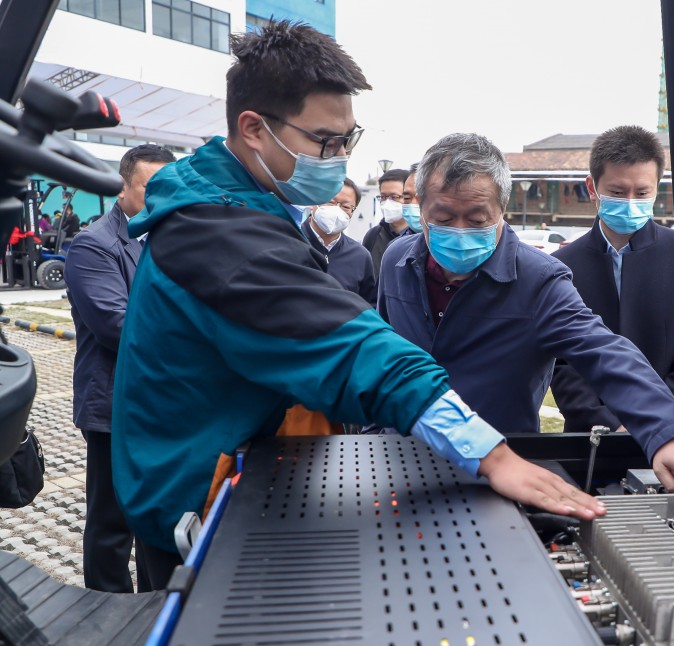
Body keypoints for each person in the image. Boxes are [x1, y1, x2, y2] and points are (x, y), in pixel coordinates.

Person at [112, 21, 601, 590]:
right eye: (325, 141)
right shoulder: (219, 233)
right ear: (254, 129)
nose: (340, 157)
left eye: (349, 139)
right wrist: (491, 455)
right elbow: (347, 344)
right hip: (198, 501)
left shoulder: (232, 199)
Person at [378, 133, 674, 499]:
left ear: (502, 207)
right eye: (443, 218)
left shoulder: (539, 279)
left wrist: (668, 430)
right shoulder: (396, 260)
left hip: (500, 463)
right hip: (400, 455)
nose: (459, 233)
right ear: (421, 206)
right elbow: (382, 354)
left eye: (476, 220)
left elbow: (603, 351)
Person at [64, 144, 176, 593]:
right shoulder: (95, 245)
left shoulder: (174, 237)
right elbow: (120, 325)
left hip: (164, 406)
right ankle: (104, 611)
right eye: (151, 188)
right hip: (115, 403)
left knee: (155, 517)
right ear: (125, 187)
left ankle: (151, 607)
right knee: (112, 522)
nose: (161, 198)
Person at [551, 125, 674, 434]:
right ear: (592, 188)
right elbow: (561, 364)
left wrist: (650, 419)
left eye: (641, 193)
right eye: (616, 191)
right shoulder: (560, 267)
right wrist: (608, 423)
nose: (629, 201)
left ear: (657, 188)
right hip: (591, 438)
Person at [302, 176, 376, 305]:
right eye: (330, 202)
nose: (337, 209)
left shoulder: (360, 256)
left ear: (353, 212)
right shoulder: (291, 241)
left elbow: (369, 306)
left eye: (346, 206)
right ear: (313, 202)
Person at [362, 168, 411, 280]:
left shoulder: (421, 236)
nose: (387, 202)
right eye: (383, 197)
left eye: (394, 197)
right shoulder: (373, 236)